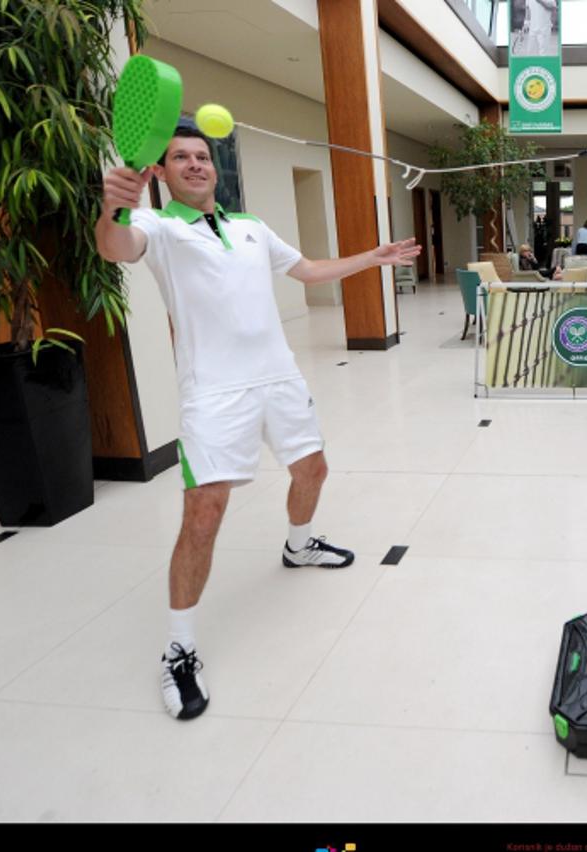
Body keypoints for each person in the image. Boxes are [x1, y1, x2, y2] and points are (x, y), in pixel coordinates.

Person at [94, 126, 422, 722]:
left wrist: (372, 259)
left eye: (202, 157)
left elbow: (308, 270)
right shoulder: (158, 229)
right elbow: (115, 246)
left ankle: (300, 547)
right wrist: (114, 205)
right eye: (180, 159)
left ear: (216, 170)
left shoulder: (250, 227)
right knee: (205, 510)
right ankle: (179, 648)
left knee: (314, 469)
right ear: (161, 174)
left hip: (279, 378)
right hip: (214, 394)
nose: (195, 165)